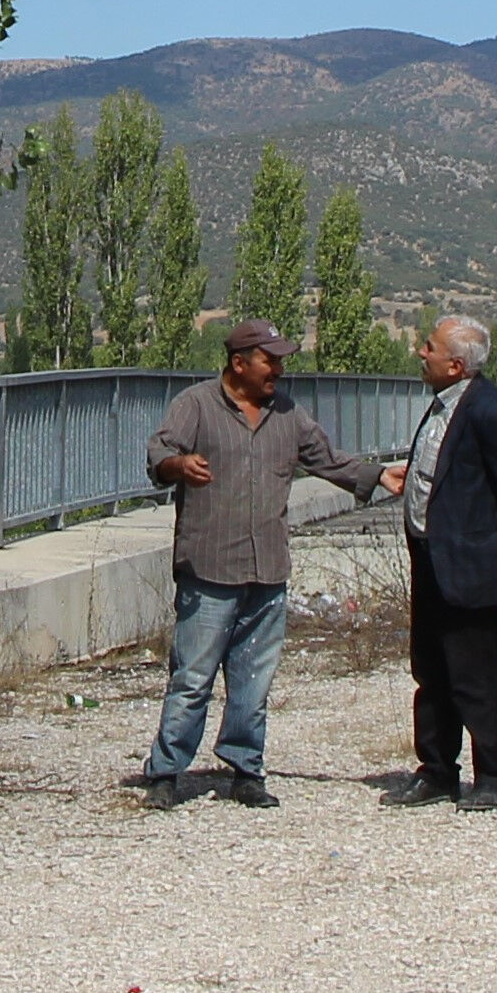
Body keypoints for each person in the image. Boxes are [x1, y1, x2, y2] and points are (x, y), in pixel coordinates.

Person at [139, 319, 382, 806]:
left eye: (280, 359)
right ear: (238, 362)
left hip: (267, 569)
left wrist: (380, 478)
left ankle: (245, 769)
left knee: (254, 679)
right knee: (192, 676)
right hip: (209, 568)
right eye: (269, 359)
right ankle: (165, 773)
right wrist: (178, 466)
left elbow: (328, 459)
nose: (278, 368)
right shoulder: (196, 406)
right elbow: (160, 452)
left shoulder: (288, 414)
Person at [393, 313, 497, 810]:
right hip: (430, 557)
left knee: (473, 673)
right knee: (431, 668)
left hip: (468, 564)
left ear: (456, 365)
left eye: (431, 347)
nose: (421, 351)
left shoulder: (486, 410)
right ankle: (437, 770)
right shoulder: (442, 404)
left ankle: (493, 779)